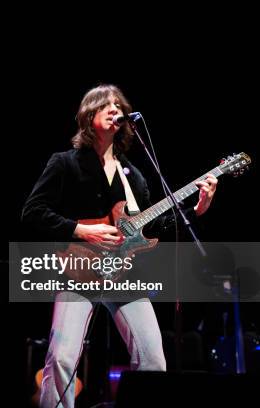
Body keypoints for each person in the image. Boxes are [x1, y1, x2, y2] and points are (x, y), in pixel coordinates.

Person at [21, 84, 218, 408]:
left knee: (154, 359)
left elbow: (149, 228)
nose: (115, 109)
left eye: (118, 105)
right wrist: (83, 230)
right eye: (106, 105)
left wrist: (197, 209)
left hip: (124, 274)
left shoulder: (134, 175)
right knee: (62, 358)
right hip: (80, 270)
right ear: (89, 115)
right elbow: (33, 212)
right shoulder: (65, 163)